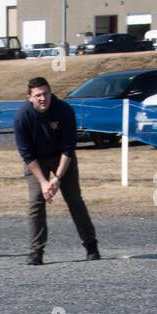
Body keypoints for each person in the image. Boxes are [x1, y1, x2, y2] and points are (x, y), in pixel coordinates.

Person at [13, 77, 100, 265]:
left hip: (62, 158)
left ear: (50, 93)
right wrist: (44, 183)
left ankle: (91, 246)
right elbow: (27, 155)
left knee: (74, 200)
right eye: (37, 95)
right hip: (36, 160)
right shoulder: (22, 116)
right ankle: (36, 252)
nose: (43, 98)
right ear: (30, 98)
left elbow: (69, 148)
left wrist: (58, 177)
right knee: (36, 202)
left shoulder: (64, 110)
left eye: (45, 93)